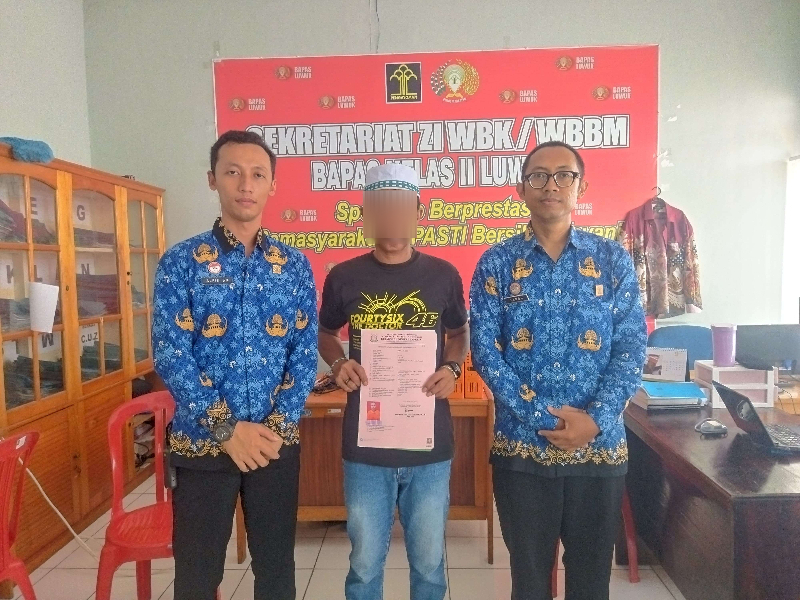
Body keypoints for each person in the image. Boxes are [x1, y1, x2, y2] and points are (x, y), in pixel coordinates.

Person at [469, 141, 647, 600]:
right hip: (522, 450)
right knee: (529, 579)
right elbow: (486, 353)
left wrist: (595, 419)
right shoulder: (497, 263)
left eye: (563, 175)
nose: (551, 185)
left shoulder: (612, 260)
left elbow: (631, 348)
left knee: (590, 580)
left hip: (598, 448)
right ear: (521, 188)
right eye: (538, 175)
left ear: (580, 187)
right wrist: (545, 419)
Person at [151, 130, 317, 600]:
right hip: (203, 443)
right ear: (213, 180)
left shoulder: (294, 265)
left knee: (277, 572)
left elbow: (304, 353)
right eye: (233, 172)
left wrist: (275, 429)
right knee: (198, 576)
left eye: (258, 174)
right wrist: (226, 428)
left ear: (273, 185)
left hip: (273, 444)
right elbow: (171, 353)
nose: (246, 184)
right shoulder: (181, 262)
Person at [318, 164, 469, 600]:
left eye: (401, 207)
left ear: (418, 212)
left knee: (429, 564)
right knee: (364, 566)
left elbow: (459, 332)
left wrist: (452, 369)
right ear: (365, 214)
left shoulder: (443, 275)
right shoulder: (344, 276)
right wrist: (337, 363)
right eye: (380, 207)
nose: (391, 216)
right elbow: (325, 332)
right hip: (366, 444)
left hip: (428, 444)